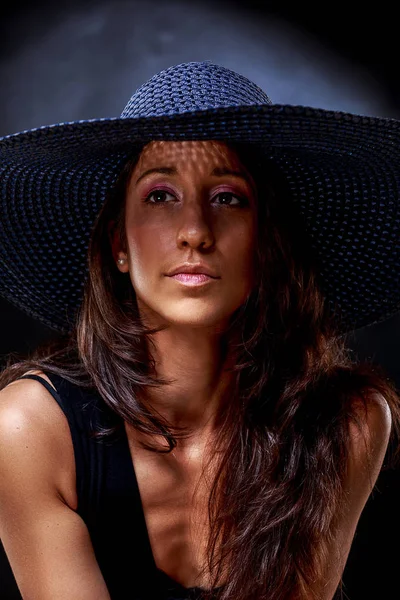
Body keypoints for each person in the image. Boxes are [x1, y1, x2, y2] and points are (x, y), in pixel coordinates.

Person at [0, 60, 399, 600]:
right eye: (160, 196)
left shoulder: (346, 427)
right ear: (119, 243)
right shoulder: (29, 430)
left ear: (267, 243)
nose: (194, 232)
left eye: (228, 198)